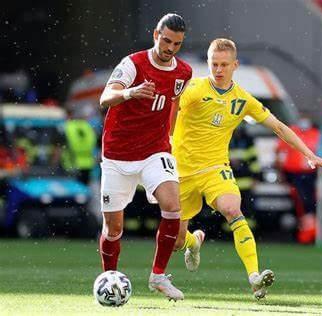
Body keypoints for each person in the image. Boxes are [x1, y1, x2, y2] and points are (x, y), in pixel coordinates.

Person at [171, 38, 322, 299]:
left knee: (232, 210)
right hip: (181, 171)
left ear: (235, 65)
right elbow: (169, 110)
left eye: (224, 64)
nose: (218, 69)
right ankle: (194, 241)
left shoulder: (242, 99)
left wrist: (309, 154)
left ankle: (254, 278)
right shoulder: (194, 89)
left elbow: (280, 127)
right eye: (214, 64)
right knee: (177, 242)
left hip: (215, 168)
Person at [98, 13, 192, 301]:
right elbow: (105, 98)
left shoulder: (184, 73)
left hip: (155, 151)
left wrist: (172, 136)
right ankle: (109, 278)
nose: (170, 48)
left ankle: (158, 276)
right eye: (166, 41)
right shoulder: (132, 64)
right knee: (114, 228)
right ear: (155, 35)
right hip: (117, 153)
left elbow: (173, 106)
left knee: (172, 204)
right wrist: (132, 92)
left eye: (176, 43)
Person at [276, 115, 320, 244]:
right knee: (302, 201)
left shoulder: (315, 134)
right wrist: (281, 172)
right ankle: (305, 230)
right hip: (294, 174)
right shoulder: (291, 132)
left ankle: (309, 229)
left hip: (311, 174)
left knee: (309, 201)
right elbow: (279, 152)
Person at [61, 110, 97, 185]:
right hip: (88, 164)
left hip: (71, 163)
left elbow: (62, 146)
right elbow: (94, 141)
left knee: (73, 190)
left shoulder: (68, 127)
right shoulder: (87, 126)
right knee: (84, 190)